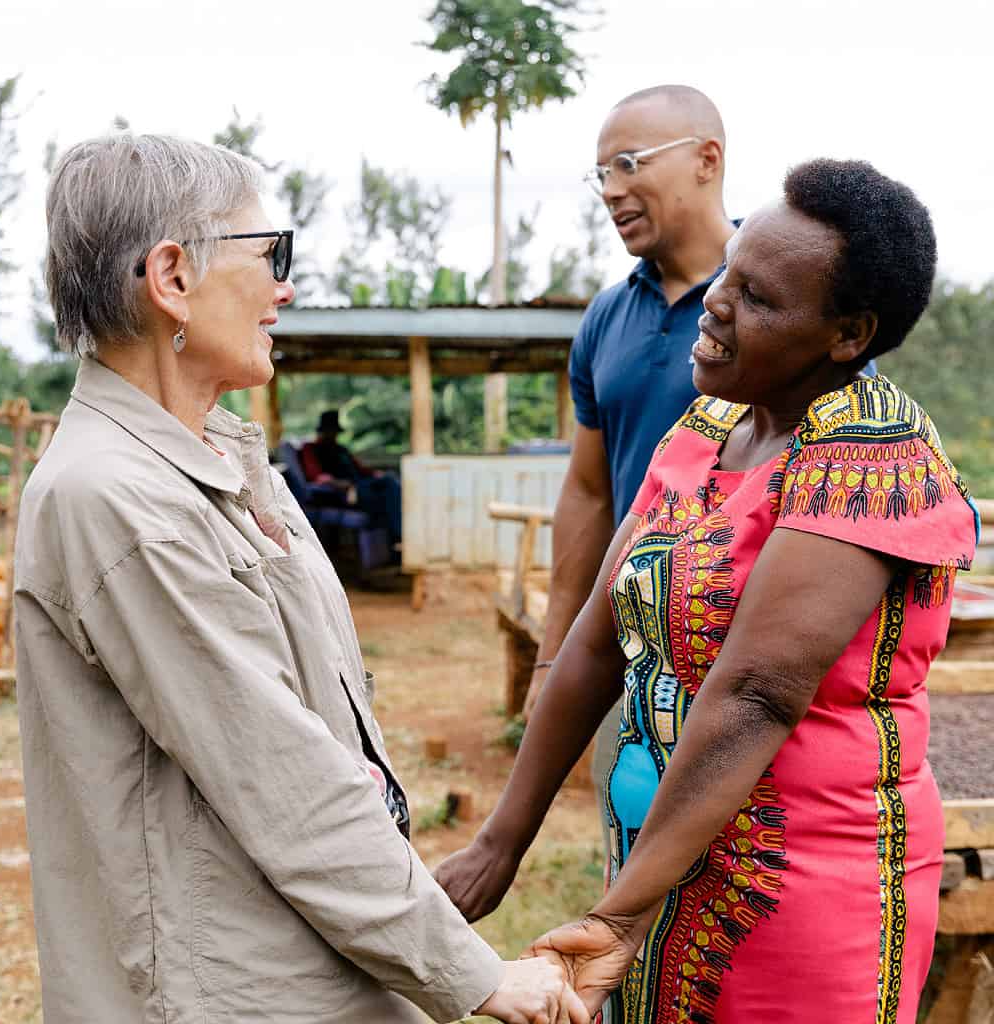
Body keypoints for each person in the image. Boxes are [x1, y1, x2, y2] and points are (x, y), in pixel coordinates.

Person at [14, 133, 587, 1024]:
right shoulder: (117, 496)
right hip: (230, 988)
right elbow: (279, 775)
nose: (284, 288)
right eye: (268, 253)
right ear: (171, 278)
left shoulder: (229, 458)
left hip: (301, 952)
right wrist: (470, 971)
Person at [437, 159, 978, 1022]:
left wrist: (617, 917)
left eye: (759, 298)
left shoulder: (873, 459)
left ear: (848, 335)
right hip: (657, 867)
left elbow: (759, 694)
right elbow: (600, 636)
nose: (716, 302)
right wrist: (501, 843)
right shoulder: (708, 427)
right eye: (728, 270)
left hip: (797, 890)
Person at [525, 85, 737, 824]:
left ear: (707, 160)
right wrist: (554, 659)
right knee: (628, 880)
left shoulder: (784, 299)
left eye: (628, 163)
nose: (611, 190)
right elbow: (588, 495)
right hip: (633, 663)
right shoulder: (606, 319)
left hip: (745, 666)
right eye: (601, 174)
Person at [301, 408, 402, 549]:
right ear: (323, 431)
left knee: (390, 484)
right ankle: (398, 536)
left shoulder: (341, 449)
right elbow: (317, 476)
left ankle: (395, 540)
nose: (333, 434)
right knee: (386, 495)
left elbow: (361, 469)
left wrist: (377, 474)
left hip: (361, 485)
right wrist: (340, 484)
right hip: (342, 493)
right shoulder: (310, 449)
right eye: (330, 430)